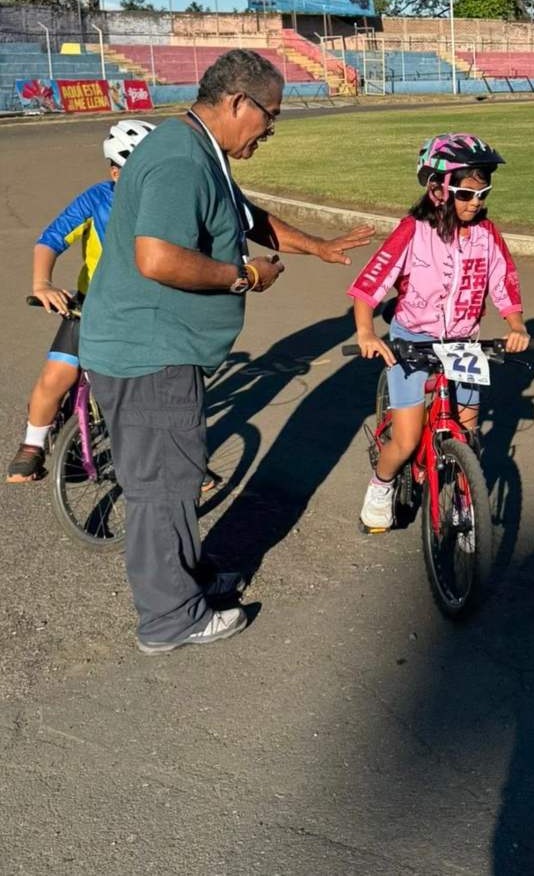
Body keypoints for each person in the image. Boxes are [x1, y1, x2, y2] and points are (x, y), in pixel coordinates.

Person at [78, 50, 374, 654]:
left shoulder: (198, 149)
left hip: (155, 349)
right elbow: (156, 258)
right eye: (271, 115)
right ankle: (169, 618)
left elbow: (245, 214)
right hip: (149, 351)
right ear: (239, 102)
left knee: (174, 476)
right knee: (163, 485)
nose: (270, 130)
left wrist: (315, 246)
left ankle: (185, 579)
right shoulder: (179, 159)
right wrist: (244, 278)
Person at [348, 133, 529, 532]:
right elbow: (370, 284)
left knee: (467, 433)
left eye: (483, 194)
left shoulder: (486, 234)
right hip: (411, 341)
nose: (476, 203)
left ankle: (466, 506)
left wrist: (515, 325)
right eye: (465, 194)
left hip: (462, 344)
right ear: (437, 189)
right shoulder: (412, 231)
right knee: (407, 439)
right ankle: (380, 486)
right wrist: (366, 332)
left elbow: (504, 283)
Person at [8, 120, 154, 482]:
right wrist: (43, 284)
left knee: (159, 390)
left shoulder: (166, 203)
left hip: (146, 310)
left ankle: (180, 454)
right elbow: (51, 239)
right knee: (56, 376)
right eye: (135, 171)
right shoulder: (98, 198)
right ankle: (33, 444)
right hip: (92, 305)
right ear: (115, 172)